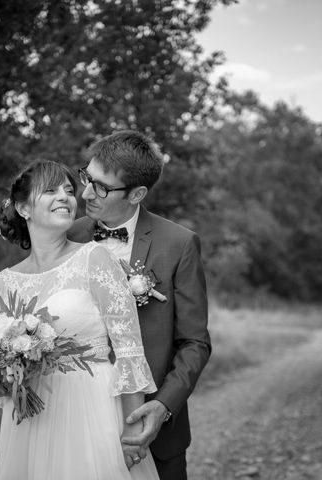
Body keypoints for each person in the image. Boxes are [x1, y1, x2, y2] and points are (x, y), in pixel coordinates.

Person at [0, 160, 160, 480]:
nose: (66, 197)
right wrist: (1, 364)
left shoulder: (95, 259)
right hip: (29, 419)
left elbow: (129, 351)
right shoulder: (4, 282)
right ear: (24, 208)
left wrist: (131, 433)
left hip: (91, 411)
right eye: (51, 190)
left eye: (69, 191)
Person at [68, 130, 211, 480]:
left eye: (101, 187)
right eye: (87, 177)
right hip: (78, 419)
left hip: (154, 428)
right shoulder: (68, 237)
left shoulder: (179, 244)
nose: (85, 192)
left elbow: (195, 343)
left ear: (137, 194)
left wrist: (162, 407)